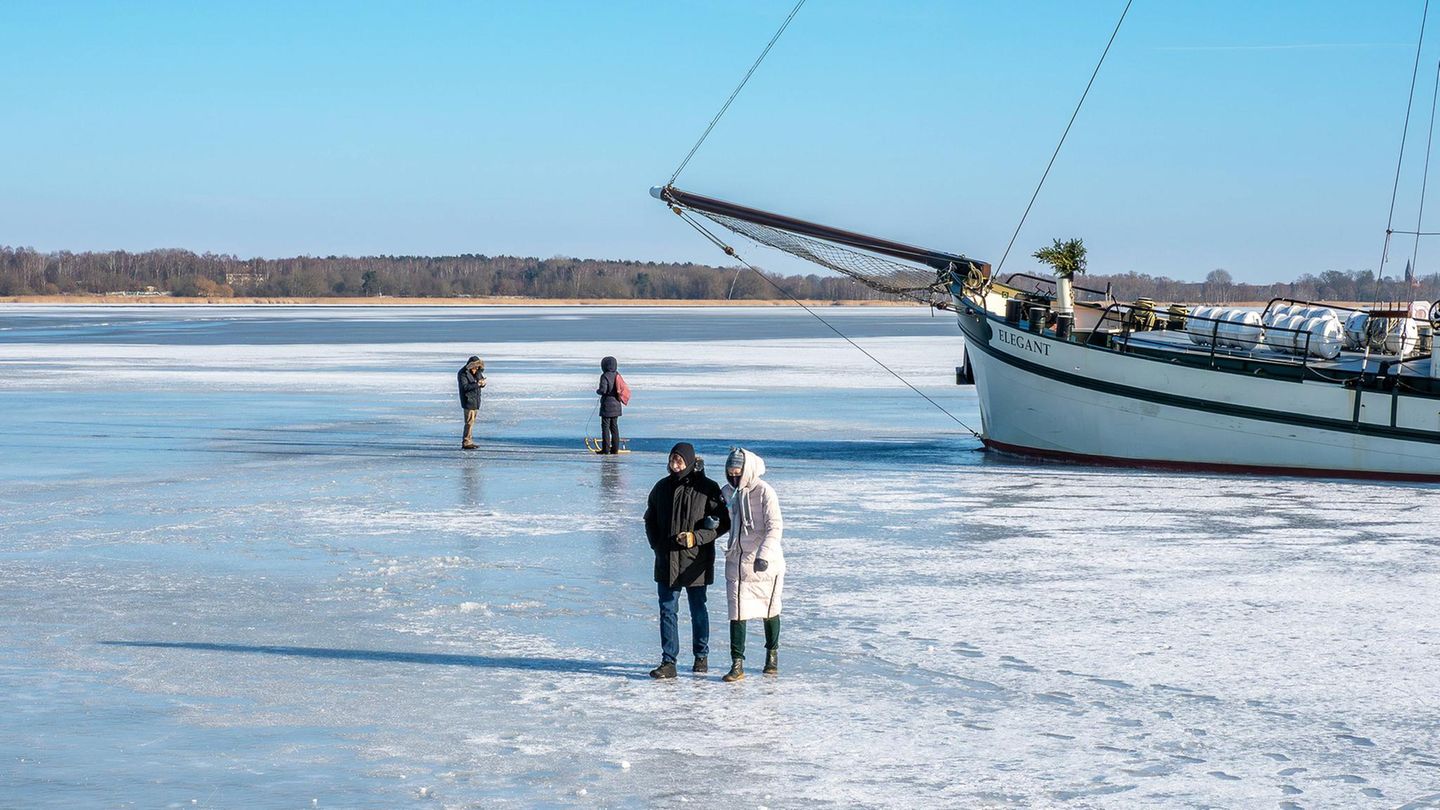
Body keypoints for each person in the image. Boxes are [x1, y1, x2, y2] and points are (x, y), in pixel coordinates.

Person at [643, 442, 730, 679]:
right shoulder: (661, 487)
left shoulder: (707, 488)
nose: (675, 465)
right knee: (667, 610)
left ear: (689, 461)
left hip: (695, 561)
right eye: (672, 460)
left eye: (679, 461)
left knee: (697, 609)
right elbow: (649, 518)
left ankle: (701, 655)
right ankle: (668, 661)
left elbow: (723, 523)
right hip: (666, 559)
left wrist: (696, 537)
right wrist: (656, 544)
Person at [720, 447, 785, 682]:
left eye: (737, 473)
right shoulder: (727, 492)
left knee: (770, 609)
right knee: (737, 612)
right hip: (736, 561)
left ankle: (772, 655)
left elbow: (775, 526)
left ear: (747, 471)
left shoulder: (765, 492)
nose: (733, 477)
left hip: (764, 563)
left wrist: (764, 555)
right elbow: (722, 518)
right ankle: (737, 664)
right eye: (730, 473)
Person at [456, 356, 486, 450]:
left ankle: (469, 441)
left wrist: (482, 383)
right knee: (469, 422)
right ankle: (466, 442)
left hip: (475, 400)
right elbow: (465, 387)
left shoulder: (477, 372)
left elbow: (480, 381)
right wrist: (477, 384)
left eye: (478, 367)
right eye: (475, 367)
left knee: (471, 422)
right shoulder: (463, 373)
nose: (476, 369)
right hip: (468, 401)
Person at [595, 356, 623, 454]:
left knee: (605, 428)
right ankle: (615, 449)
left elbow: (603, 390)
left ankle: (606, 449)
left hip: (607, 406)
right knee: (614, 427)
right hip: (617, 404)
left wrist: (598, 391)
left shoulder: (604, 376)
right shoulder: (617, 375)